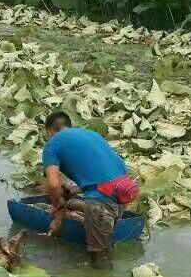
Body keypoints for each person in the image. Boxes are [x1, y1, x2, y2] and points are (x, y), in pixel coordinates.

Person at [40, 111, 138, 268]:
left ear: (50, 131)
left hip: (103, 200)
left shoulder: (53, 144)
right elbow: (105, 171)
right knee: (106, 241)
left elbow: (52, 184)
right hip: (125, 190)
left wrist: (57, 208)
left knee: (99, 258)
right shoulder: (90, 134)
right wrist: (75, 190)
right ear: (69, 126)